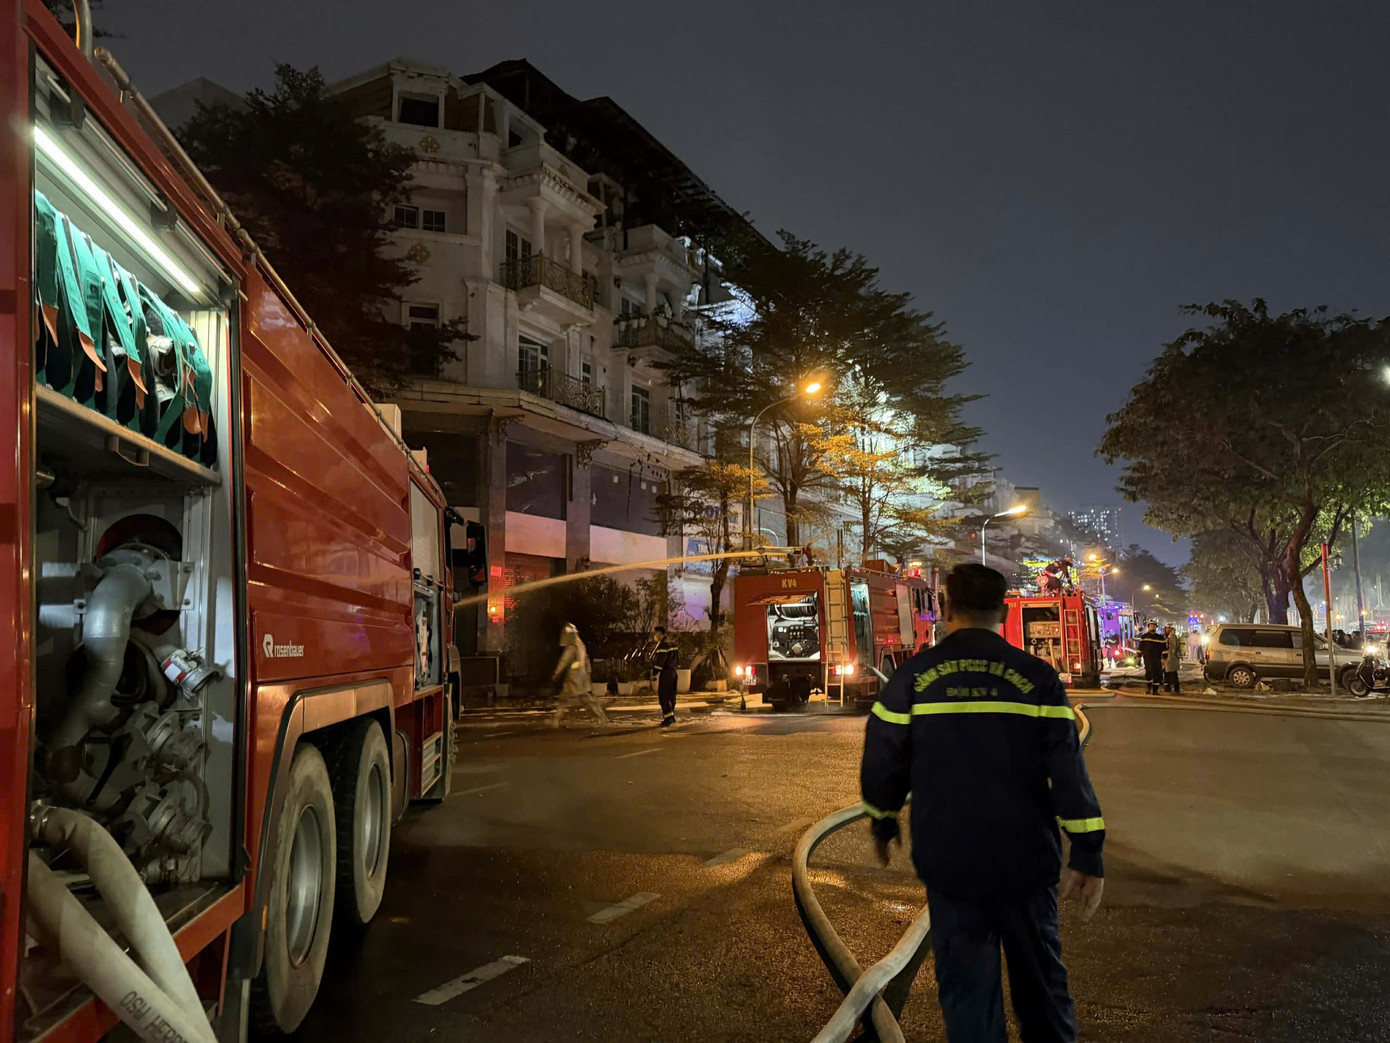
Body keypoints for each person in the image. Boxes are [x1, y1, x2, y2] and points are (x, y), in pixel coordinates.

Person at [861, 564, 1104, 1043]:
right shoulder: (1037, 679)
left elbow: (882, 759)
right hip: (1026, 859)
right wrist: (1088, 851)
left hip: (950, 861)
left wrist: (883, 821)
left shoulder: (913, 678)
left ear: (947, 608)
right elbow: (1069, 771)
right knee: (1043, 988)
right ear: (1005, 610)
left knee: (968, 994)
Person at [551, 623, 608, 727]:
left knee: (581, 699)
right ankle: (556, 720)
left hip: (573, 678)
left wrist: (556, 672)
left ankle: (602, 717)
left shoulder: (571, 648)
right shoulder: (580, 646)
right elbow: (587, 664)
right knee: (568, 698)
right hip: (580, 677)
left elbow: (564, 661)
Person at [649, 625, 679, 727]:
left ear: (659, 633)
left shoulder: (663, 645)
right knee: (671, 695)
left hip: (666, 673)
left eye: (655, 634)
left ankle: (668, 718)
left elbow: (660, 661)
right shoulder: (673, 643)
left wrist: (654, 673)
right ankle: (671, 716)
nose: (654, 636)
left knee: (663, 695)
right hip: (674, 673)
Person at [1138, 621, 1166, 695]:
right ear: (1148, 627)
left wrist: (1164, 659)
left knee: (1156, 674)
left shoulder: (1160, 638)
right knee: (1149, 673)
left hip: (1157, 658)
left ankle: (1155, 690)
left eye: (1153, 626)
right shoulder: (1144, 637)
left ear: (1156, 627)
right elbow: (1140, 647)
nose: (1152, 627)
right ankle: (1148, 688)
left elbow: (1164, 649)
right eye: (1150, 626)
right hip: (1147, 658)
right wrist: (1138, 657)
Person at [1162, 625, 1182, 693]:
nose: (1167, 630)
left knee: (1170, 673)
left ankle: (1169, 688)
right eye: (1166, 628)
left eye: (1168, 628)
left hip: (1170, 658)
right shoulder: (1170, 636)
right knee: (1172, 673)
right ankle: (1174, 688)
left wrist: (1167, 655)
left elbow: (1172, 647)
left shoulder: (1171, 636)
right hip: (1170, 657)